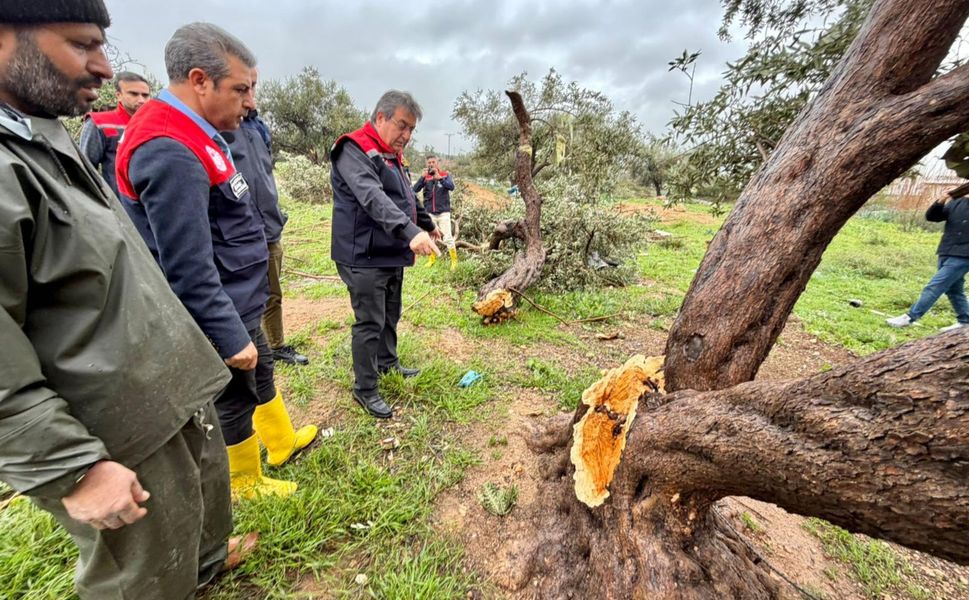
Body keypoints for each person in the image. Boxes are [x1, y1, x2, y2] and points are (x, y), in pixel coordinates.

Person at [0, 4, 256, 598]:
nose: (102, 67)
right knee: (141, 566)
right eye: (80, 44)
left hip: (166, 385)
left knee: (196, 500)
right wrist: (72, 467)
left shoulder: (43, 135)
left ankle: (205, 567)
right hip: (114, 421)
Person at [117, 23, 318, 499]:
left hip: (241, 295)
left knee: (261, 366)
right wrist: (228, 333)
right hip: (219, 303)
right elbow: (186, 264)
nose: (250, 102)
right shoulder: (169, 148)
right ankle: (245, 481)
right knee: (233, 390)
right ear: (199, 80)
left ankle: (281, 441)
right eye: (241, 89)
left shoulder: (200, 132)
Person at [330, 90, 440, 419]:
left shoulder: (389, 153)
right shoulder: (354, 148)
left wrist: (425, 222)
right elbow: (373, 198)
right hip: (362, 253)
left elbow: (404, 195)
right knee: (370, 321)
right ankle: (365, 388)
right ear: (380, 117)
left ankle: (388, 363)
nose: (406, 136)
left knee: (391, 312)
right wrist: (410, 233)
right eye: (402, 126)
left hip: (389, 251)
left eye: (411, 130)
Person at [224, 67, 309, 366]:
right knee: (242, 297)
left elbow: (266, 173)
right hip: (238, 231)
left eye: (253, 89)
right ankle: (239, 346)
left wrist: (275, 212)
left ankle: (275, 344)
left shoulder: (259, 128)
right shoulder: (219, 128)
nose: (249, 99)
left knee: (273, 292)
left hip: (269, 227)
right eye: (241, 90)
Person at [887, 192, 969, 331]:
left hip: (964, 255)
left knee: (935, 285)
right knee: (954, 289)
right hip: (946, 250)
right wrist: (941, 201)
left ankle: (910, 317)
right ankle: (965, 321)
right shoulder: (957, 202)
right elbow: (932, 217)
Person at [78, 71, 150, 196]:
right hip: (119, 207)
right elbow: (84, 171)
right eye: (133, 94)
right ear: (118, 95)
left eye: (145, 95)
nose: (141, 100)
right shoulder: (99, 123)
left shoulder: (154, 125)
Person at [413, 154, 458, 270]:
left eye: (433, 162)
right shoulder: (426, 177)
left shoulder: (445, 175)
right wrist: (422, 178)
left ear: (437, 163)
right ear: (426, 164)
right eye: (429, 163)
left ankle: (454, 262)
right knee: (431, 237)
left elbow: (451, 187)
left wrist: (440, 179)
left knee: (447, 237)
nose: (431, 164)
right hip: (430, 212)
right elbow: (414, 190)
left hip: (443, 212)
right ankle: (431, 260)